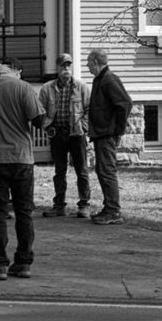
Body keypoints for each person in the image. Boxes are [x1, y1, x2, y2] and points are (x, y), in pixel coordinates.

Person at [0, 60, 49, 279]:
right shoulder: (23, 88)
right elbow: (38, 120)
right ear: (15, 73)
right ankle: (23, 262)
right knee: (24, 212)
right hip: (22, 158)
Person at [84, 48, 135, 225]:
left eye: (89, 62)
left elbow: (125, 103)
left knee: (107, 171)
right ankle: (109, 208)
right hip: (101, 133)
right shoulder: (101, 79)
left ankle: (113, 211)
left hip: (106, 133)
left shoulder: (109, 79)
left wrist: (118, 130)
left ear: (96, 62)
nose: (87, 66)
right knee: (102, 170)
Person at [42, 53, 93, 218]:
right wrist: (47, 126)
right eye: (63, 65)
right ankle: (59, 205)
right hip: (58, 134)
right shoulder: (47, 88)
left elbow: (90, 109)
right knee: (59, 171)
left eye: (68, 65)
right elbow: (39, 110)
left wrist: (84, 127)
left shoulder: (81, 87)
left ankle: (84, 205)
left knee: (82, 171)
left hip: (76, 134)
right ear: (57, 68)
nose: (66, 69)